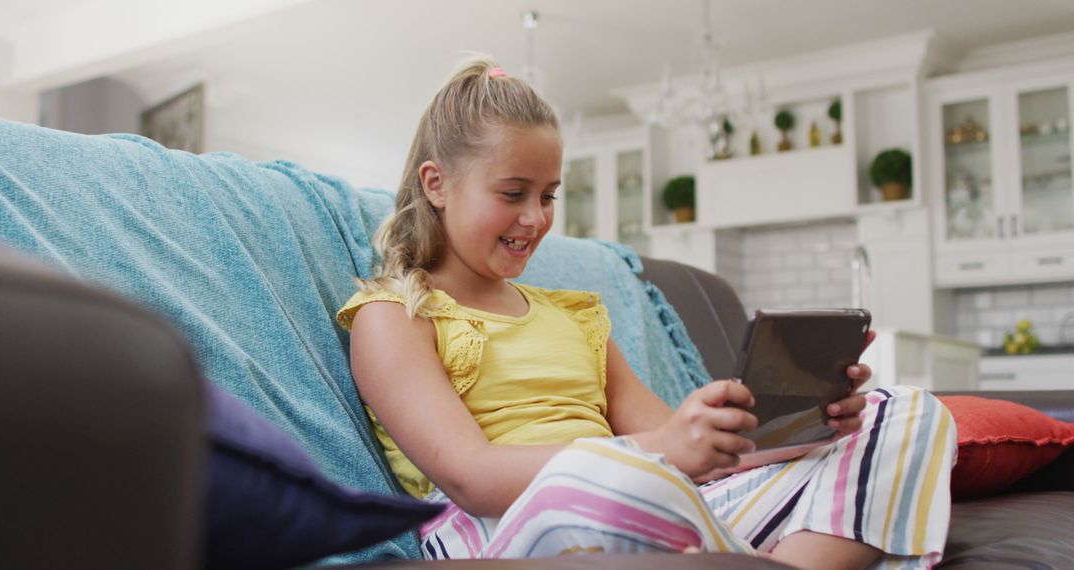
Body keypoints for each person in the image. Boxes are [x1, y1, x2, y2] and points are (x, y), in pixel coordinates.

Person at [337, 57, 955, 570]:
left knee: (908, 414)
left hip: (642, 501)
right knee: (614, 481)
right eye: (512, 193)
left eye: (548, 196)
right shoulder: (393, 316)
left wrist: (798, 424)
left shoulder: (577, 316)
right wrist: (657, 450)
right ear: (436, 184)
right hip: (505, 525)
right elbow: (469, 475)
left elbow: (687, 452)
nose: (536, 218)